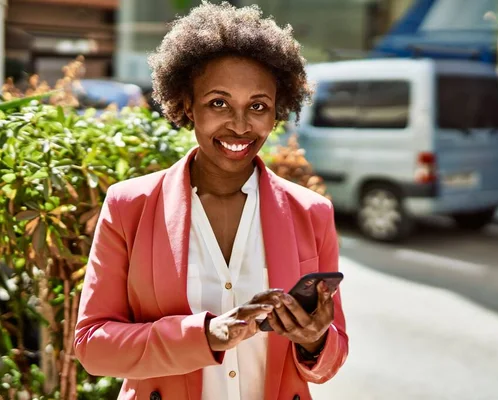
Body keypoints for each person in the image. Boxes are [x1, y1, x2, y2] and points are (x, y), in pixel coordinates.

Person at [73, 2, 348, 400]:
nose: (240, 124)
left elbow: (332, 355)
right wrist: (204, 335)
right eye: (218, 103)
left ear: (276, 113)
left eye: (258, 106)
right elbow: (93, 347)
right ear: (187, 105)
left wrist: (314, 342)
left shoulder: (312, 212)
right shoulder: (129, 205)